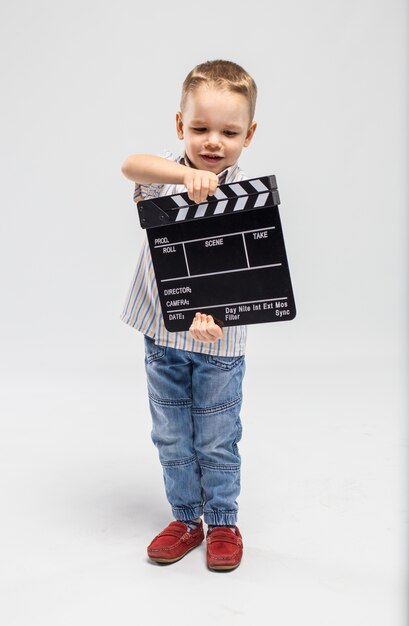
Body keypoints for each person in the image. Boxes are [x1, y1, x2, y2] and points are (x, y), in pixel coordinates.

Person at [121, 59, 257, 571]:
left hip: (219, 342)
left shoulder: (250, 196)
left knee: (217, 434)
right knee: (172, 432)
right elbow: (130, 165)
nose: (212, 141)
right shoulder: (165, 179)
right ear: (181, 126)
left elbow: (251, 273)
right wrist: (186, 175)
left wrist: (217, 311)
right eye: (199, 128)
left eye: (229, 131)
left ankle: (222, 520)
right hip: (162, 331)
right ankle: (185, 518)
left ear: (249, 134)